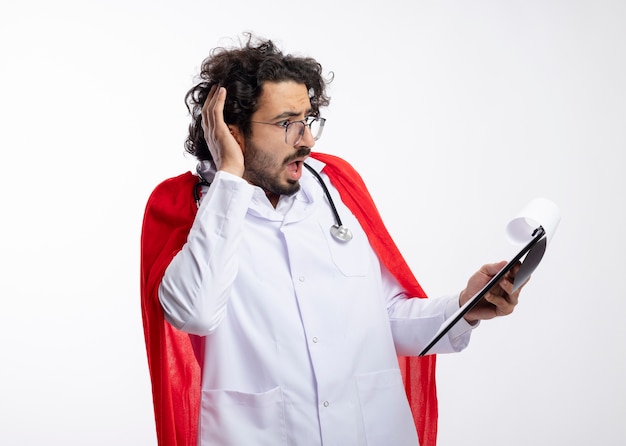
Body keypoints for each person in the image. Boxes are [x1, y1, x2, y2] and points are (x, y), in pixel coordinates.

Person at [140, 33, 526, 446]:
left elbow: (385, 318)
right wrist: (230, 178)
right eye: (287, 123)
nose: (306, 139)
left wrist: (465, 308)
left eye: (308, 120)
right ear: (231, 132)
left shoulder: (336, 186)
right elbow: (194, 313)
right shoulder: (188, 207)